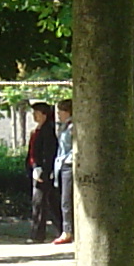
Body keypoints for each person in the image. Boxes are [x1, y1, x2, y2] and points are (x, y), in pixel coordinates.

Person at [24, 101, 58, 243]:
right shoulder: (38, 130)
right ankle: (62, 229)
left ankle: (38, 234)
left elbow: (47, 152)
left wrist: (42, 169)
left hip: (42, 171)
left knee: (39, 202)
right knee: (48, 202)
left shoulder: (47, 131)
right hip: (35, 169)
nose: (34, 116)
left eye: (36, 113)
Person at [52, 98, 78, 247]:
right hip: (61, 165)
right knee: (63, 199)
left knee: (66, 200)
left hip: (68, 164)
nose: (58, 115)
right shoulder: (63, 126)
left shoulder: (72, 127)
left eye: (60, 111)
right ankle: (67, 229)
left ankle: (67, 231)